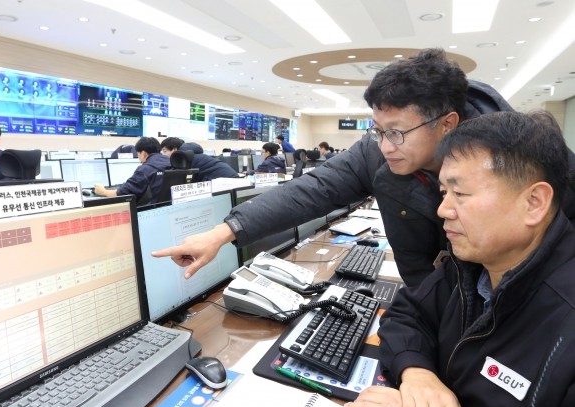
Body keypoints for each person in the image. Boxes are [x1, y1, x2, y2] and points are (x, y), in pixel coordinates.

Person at [151, 48, 575, 287]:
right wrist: (223, 233)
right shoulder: (382, 151)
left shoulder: (528, 156)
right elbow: (312, 190)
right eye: (377, 130)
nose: (385, 145)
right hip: (432, 299)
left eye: (397, 131)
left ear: (448, 123)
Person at [344, 111, 575, 407]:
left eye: (461, 194)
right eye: (443, 192)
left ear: (534, 202)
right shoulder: (470, 266)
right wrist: (419, 377)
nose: (443, 209)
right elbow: (407, 315)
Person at [93, 136, 170, 204]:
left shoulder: (145, 169)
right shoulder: (170, 162)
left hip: (147, 211)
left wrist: (103, 191)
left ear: (143, 153)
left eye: (138, 154)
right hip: (167, 208)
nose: (138, 157)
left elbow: (123, 193)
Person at [159, 137, 238, 182]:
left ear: (174, 150)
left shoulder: (184, 159)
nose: (162, 153)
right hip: (232, 179)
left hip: (225, 183)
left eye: (164, 151)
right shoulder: (198, 156)